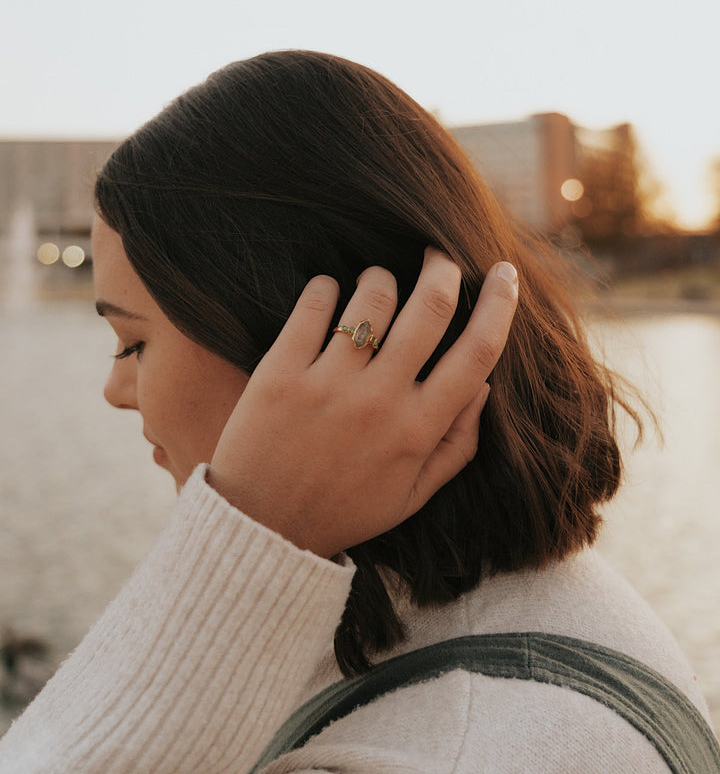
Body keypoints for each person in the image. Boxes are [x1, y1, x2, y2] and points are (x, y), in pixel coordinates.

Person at [0, 50, 715, 773]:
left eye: (132, 343)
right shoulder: (519, 612)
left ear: (297, 339)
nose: (114, 391)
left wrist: (250, 535)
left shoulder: (445, 748)